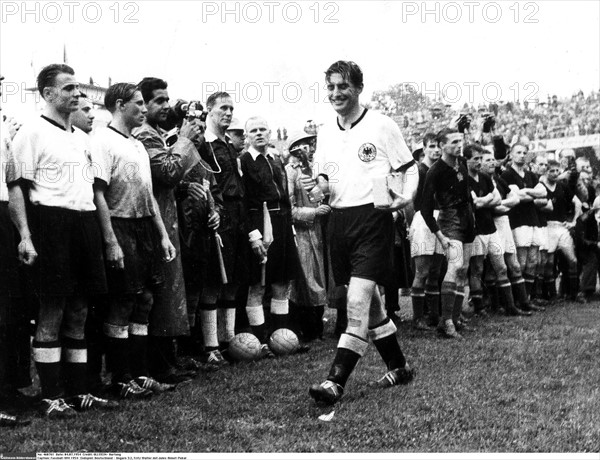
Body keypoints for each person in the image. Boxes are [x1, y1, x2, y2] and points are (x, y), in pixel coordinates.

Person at [7, 64, 116, 417]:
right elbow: (17, 189)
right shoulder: (31, 133)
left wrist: (107, 239)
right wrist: (25, 236)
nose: (76, 94)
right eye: (68, 88)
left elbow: (95, 193)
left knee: (80, 310)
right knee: (52, 310)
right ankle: (51, 396)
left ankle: (78, 390)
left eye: (77, 87)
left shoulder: (84, 139)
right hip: (51, 224)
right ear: (48, 94)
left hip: (83, 225)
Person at [309, 61, 418, 405]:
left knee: (355, 302)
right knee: (370, 306)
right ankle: (399, 366)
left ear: (358, 88)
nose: (336, 93)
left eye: (343, 87)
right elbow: (324, 176)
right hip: (339, 224)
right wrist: (319, 188)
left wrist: (405, 199)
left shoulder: (382, 125)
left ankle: (334, 382)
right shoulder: (325, 131)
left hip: (373, 219)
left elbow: (409, 169)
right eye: (331, 87)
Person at [92, 83, 178, 399]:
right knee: (123, 301)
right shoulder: (102, 140)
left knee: (145, 300)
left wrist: (163, 235)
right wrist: (111, 240)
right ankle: (120, 378)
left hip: (144, 229)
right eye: (139, 104)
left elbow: (148, 196)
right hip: (120, 225)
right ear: (119, 105)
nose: (144, 109)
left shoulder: (139, 144)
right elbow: (98, 193)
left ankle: (140, 374)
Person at [134, 77, 202, 383]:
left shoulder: (155, 134)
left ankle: (166, 360)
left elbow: (168, 179)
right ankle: (157, 366)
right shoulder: (145, 136)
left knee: (168, 292)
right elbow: (167, 171)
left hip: (165, 220)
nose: (165, 105)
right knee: (159, 295)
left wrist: (187, 186)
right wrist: (185, 140)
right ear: (143, 104)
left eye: (166, 99)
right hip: (152, 225)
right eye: (158, 101)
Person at [193, 92, 248, 366]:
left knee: (233, 282)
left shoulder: (228, 144)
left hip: (237, 217)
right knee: (214, 282)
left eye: (231, 109)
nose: (228, 113)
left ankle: (230, 341)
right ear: (209, 111)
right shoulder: (204, 144)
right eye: (223, 108)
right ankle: (210, 346)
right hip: (218, 216)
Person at [240, 116, 302, 357]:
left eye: (263, 129)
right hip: (259, 223)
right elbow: (244, 202)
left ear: (270, 133)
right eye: (253, 130)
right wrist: (253, 235)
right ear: (247, 136)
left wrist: (291, 230)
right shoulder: (243, 162)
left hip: (282, 223)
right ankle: (260, 341)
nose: (259, 134)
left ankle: (281, 338)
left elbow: (285, 198)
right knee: (257, 284)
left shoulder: (275, 160)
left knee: (281, 282)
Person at [421, 128, 477, 338]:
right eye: (453, 142)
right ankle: (446, 323)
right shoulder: (435, 171)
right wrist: (440, 235)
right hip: (450, 221)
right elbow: (426, 211)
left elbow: (467, 196)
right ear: (442, 145)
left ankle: (455, 319)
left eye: (459, 141)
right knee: (453, 267)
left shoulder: (461, 164)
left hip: (467, 221)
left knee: (463, 269)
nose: (458, 145)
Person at [0, 75, 32, 427]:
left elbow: (13, 183)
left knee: (10, 310)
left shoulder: (4, 126)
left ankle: (10, 389)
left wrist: (23, 233)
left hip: (3, 217)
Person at [465, 144, 527, 318]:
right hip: (476, 229)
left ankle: (510, 306)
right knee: (477, 268)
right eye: (475, 159)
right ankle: (479, 307)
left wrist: (486, 200)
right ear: (467, 160)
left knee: (501, 267)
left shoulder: (484, 177)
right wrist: (489, 200)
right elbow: (475, 203)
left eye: (480, 158)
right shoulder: (465, 179)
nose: (478, 162)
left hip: (491, 229)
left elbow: (497, 197)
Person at [285, 131, 330, 341]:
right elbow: (289, 208)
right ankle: (304, 329)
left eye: (310, 145)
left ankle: (316, 328)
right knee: (305, 280)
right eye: (303, 145)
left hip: (317, 232)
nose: (308, 149)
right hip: (301, 233)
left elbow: (318, 197)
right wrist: (313, 213)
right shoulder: (289, 173)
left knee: (318, 278)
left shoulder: (312, 171)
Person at [480, 151, 531, 316]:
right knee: (493, 267)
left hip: (504, 223)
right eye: (487, 160)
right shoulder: (481, 181)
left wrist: (502, 203)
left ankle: (523, 303)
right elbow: (495, 208)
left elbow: (514, 199)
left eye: (493, 159)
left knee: (514, 264)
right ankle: (496, 304)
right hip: (490, 223)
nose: (492, 163)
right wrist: (502, 204)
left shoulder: (499, 179)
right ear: (480, 163)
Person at [501, 143, 548, 311]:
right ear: (511, 155)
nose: (522, 155)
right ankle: (517, 300)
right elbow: (516, 196)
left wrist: (525, 191)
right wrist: (529, 193)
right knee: (520, 262)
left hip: (533, 219)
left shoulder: (531, 175)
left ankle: (527, 298)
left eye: (524, 153)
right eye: (518, 152)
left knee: (534, 261)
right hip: (518, 220)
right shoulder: (507, 174)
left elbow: (543, 193)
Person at [408, 132, 444, 330]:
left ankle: (433, 315)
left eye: (439, 146)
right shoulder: (418, 170)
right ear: (424, 149)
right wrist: (410, 224)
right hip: (422, 219)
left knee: (436, 270)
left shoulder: (442, 170)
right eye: (432, 146)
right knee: (422, 270)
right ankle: (417, 317)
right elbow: (408, 202)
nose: (436, 150)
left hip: (441, 218)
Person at [539, 159, 581, 301]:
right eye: (552, 170)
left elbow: (578, 202)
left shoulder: (562, 186)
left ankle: (574, 294)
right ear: (546, 171)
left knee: (573, 260)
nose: (555, 173)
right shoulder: (540, 186)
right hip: (547, 226)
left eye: (557, 170)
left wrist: (573, 221)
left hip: (561, 227)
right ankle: (552, 295)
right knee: (549, 263)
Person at [575, 197, 600, 303]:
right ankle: (584, 291)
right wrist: (596, 244)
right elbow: (581, 241)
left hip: (596, 248)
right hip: (585, 250)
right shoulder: (583, 219)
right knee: (592, 259)